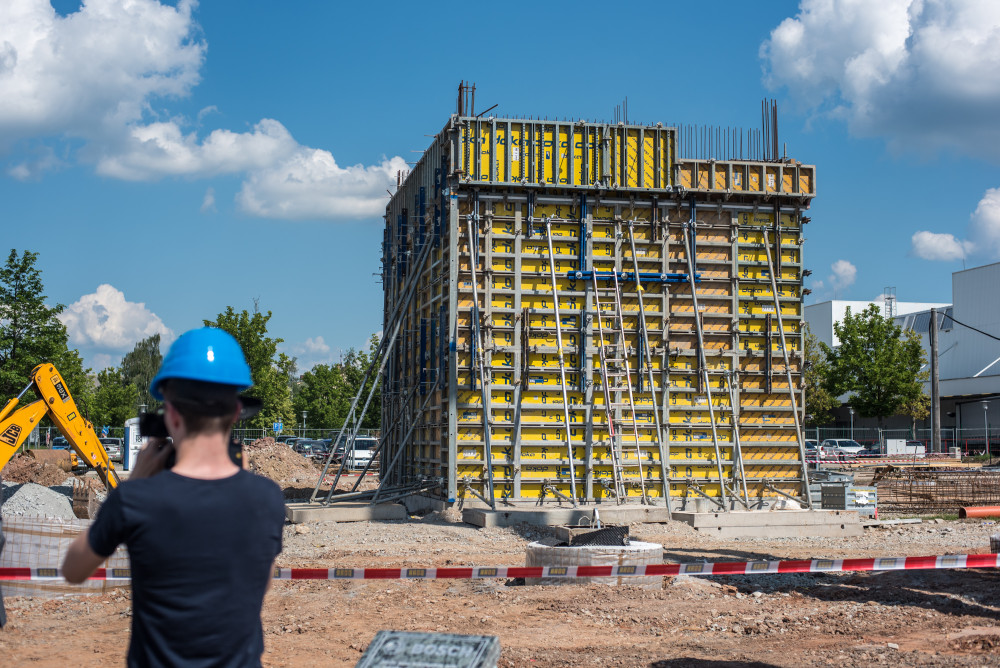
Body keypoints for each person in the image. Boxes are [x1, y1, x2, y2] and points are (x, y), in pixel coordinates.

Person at [63, 327, 286, 667]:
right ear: (236, 412)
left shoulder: (136, 500)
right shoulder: (266, 498)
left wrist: (133, 483)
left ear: (171, 415)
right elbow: (262, 582)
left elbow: (73, 569)